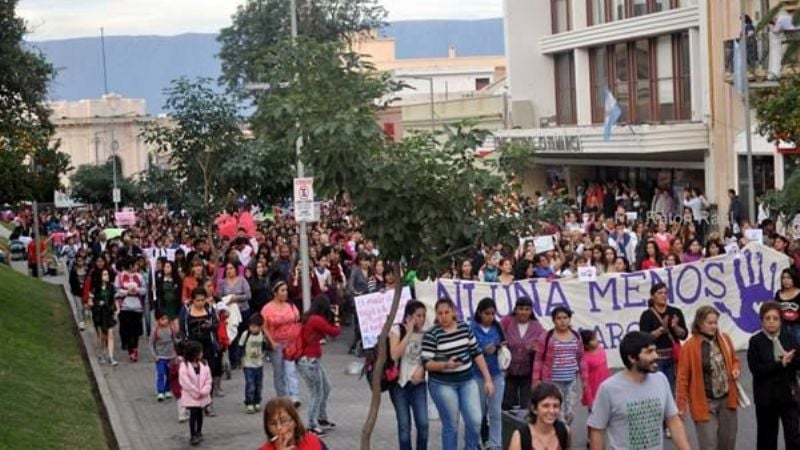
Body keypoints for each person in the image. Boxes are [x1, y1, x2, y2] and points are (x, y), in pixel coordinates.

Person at [588, 331, 691, 450]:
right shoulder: (608, 388)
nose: (656, 356)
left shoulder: (661, 380)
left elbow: (673, 421)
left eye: (655, 350)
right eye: (649, 352)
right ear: (632, 358)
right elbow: (597, 430)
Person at [422, 298, 495, 450]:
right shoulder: (431, 334)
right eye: (440, 313)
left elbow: (477, 353)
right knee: (451, 424)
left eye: (447, 312)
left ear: (454, 311)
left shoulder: (464, 328)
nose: (443, 316)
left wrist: (488, 379)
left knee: (475, 420)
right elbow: (426, 363)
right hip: (442, 384)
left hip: (467, 381)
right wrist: (445, 365)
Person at [675, 305, 740, 450]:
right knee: (709, 445)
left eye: (716, 322)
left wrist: (735, 369)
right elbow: (682, 378)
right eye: (709, 323)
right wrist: (681, 404)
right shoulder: (689, 347)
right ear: (699, 323)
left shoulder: (725, 339)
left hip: (726, 400)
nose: (714, 326)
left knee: (728, 443)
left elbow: (735, 360)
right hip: (705, 403)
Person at [747, 301, 800, 450]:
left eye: (775, 318)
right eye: (767, 318)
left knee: (794, 437)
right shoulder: (755, 341)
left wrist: (793, 359)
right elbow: (756, 370)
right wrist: (780, 364)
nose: (771, 322)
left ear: (780, 321)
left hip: (788, 395)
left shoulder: (788, 337)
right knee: (766, 438)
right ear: (761, 321)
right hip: (766, 398)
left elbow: (797, 363)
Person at [532, 306, 588, 425]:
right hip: (553, 382)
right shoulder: (546, 337)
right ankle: (560, 439)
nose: (562, 321)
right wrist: (536, 380)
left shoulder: (576, 337)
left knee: (570, 413)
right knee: (557, 413)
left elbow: (581, 359)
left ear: (569, 319)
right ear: (554, 320)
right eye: (559, 318)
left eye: (565, 318)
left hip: (571, 382)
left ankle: (565, 435)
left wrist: (584, 381)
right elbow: (538, 360)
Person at [296, 294, 341, 435]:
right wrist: (337, 317)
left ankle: (322, 418)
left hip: (310, 360)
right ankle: (311, 424)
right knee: (316, 393)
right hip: (310, 361)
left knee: (326, 387)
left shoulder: (309, 318)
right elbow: (334, 332)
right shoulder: (316, 320)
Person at [388, 299, 429, 450]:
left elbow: (429, 358)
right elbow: (394, 355)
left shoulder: (427, 334)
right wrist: (409, 333)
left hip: (418, 385)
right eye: (418, 315)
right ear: (409, 316)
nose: (422, 319)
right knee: (404, 427)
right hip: (399, 385)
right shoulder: (397, 330)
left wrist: (422, 369)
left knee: (423, 424)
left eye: (424, 315)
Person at [638, 282, 687, 394]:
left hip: (673, 358)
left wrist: (675, 327)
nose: (663, 295)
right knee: (658, 390)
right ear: (652, 296)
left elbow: (684, 335)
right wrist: (660, 330)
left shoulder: (675, 312)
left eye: (665, 293)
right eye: (660, 293)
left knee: (672, 390)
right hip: (655, 359)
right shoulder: (647, 315)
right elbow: (644, 339)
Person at [470, 298, 506, 450]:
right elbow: (467, 352)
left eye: (493, 313)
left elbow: (504, 345)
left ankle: (496, 444)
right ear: (479, 312)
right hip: (477, 375)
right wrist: (483, 351)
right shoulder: (471, 328)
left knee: (495, 412)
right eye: (487, 313)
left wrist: (498, 348)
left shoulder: (497, 327)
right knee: (478, 414)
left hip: (496, 374)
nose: (490, 317)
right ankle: (477, 442)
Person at [179, 287, 221, 417]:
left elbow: (216, 324)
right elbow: (183, 329)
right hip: (193, 347)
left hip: (208, 346)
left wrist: (210, 326)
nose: (200, 303)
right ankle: (192, 403)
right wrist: (186, 344)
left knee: (209, 374)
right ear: (193, 300)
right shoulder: (186, 311)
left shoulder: (209, 309)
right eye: (198, 300)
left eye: (203, 300)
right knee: (193, 376)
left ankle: (208, 403)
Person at [261, 281, 302, 406]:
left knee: (291, 370)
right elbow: (264, 326)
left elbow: (297, 320)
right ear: (275, 293)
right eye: (282, 291)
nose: (285, 293)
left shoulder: (290, 305)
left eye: (286, 290)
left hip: (290, 343)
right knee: (279, 372)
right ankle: (282, 396)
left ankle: (294, 396)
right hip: (276, 344)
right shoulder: (267, 309)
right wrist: (271, 341)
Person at [500, 297, 545, 410]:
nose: (523, 312)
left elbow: (543, 343)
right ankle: (507, 427)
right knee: (506, 403)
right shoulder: (507, 321)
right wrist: (502, 344)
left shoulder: (537, 326)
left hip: (528, 371)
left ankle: (526, 427)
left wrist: (535, 347)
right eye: (520, 309)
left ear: (531, 311)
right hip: (508, 371)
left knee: (527, 405)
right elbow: (497, 334)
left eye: (527, 309)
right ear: (515, 309)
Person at [507, 383, 570, 450]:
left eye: (555, 406)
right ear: (534, 409)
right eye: (545, 406)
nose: (551, 411)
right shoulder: (520, 437)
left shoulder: (564, 431)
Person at [218, 261, 252, 369]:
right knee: (232, 336)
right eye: (227, 269)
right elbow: (219, 297)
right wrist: (227, 300)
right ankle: (234, 360)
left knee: (243, 335)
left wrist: (236, 298)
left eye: (231, 268)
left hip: (243, 311)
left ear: (235, 269)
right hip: (230, 313)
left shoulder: (242, 280)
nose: (229, 271)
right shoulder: (223, 283)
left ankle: (243, 356)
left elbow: (248, 295)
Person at [258, 398, 328, 450]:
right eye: (273, 424)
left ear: (295, 422)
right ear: (267, 428)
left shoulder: (314, 442)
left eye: (284, 421)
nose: (279, 427)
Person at [179, 340, 212, 446]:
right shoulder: (184, 366)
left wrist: (204, 390)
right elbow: (185, 382)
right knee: (193, 414)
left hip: (202, 394)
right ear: (194, 353)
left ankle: (199, 432)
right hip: (191, 395)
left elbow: (208, 379)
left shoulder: (204, 364)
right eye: (200, 352)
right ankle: (193, 435)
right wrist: (195, 391)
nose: (202, 353)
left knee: (199, 414)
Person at [115, 257, 147, 362]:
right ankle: (129, 347)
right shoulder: (120, 276)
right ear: (130, 266)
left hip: (137, 307)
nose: (137, 267)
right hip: (125, 307)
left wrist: (137, 290)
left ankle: (135, 349)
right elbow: (116, 291)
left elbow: (144, 290)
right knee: (126, 329)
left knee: (135, 330)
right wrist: (127, 292)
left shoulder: (140, 277)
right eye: (135, 265)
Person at [89, 267, 119, 366]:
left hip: (108, 312)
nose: (106, 276)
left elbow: (114, 300)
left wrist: (117, 310)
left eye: (107, 274)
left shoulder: (111, 287)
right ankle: (101, 353)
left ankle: (110, 356)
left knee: (110, 334)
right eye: (104, 274)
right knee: (102, 336)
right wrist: (96, 303)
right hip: (99, 313)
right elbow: (91, 301)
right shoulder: (95, 288)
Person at [239, 314, 268, 414]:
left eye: (255, 327)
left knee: (258, 384)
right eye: (251, 326)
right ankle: (249, 402)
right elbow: (240, 346)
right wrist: (241, 359)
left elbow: (264, 346)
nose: (253, 328)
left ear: (260, 327)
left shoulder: (262, 335)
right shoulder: (246, 334)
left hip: (259, 364)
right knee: (250, 384)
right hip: (248, 364)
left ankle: (257, 400)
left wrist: (264, 354)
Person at [580, 329, 610, 413]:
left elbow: (606, 369)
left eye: (596, 338)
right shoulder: (584, 359)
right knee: (595, 419)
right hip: (594, 393)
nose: (597, 341)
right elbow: (585, 383)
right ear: (585, 344)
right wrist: (590, 402)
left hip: (606, 389)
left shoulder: (601, 350)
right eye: (593, 340)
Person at [151, 311, 176, 401]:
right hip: (160, 357)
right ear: (158, 320)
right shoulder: (155, 331)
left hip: (170, 356)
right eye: (162, 319)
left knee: (170, 374)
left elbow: (174, 340)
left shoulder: (170, 329)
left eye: (166, 318)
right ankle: (160, 391)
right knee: (160, 374)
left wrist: (175, 353)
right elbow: (151, 344)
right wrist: (155, 355)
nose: (165, 321)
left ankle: (168, 389)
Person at [774, 268, 800, 346]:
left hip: (797, 326)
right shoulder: (778, 294)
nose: (786, 280)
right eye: (783, 278)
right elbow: (775, 310)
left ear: (793, 278)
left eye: (789, 278)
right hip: (783, 327)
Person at [69, 254, 89, 331]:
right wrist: (75, 288)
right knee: (79, 307)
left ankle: (84, 320)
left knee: (84, 307)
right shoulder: (74, 270)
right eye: (78, 261)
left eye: (81, 260)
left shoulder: (86, 269)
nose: (80, 262)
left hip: (85, 292)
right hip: (76, 292)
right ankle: (81, 323)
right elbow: (71, 281)